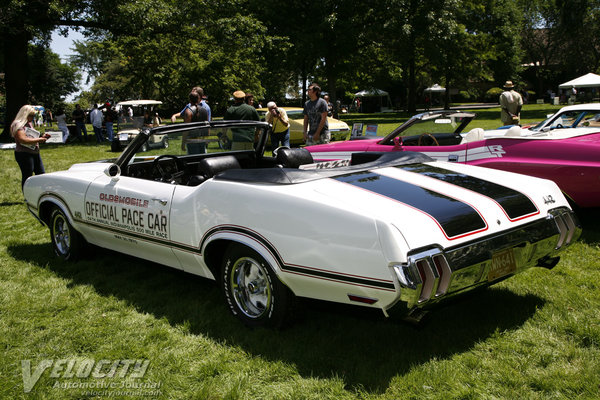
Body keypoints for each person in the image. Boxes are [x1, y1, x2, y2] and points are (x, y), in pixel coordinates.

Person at [10, 105, 51, 189]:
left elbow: (32, 136)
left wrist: (42, 136)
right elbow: (23, 140)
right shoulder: (18, 125)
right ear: (25, 114)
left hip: (34, 152)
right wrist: (39, 140)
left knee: (41, 174)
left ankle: (40, 193)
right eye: (31, 115)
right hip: (24, 154)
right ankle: (27, 197)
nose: (32, 118)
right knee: (27, 176)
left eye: (33, 115)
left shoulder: (29, 123)